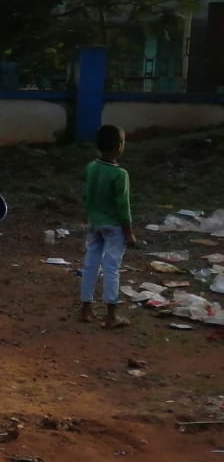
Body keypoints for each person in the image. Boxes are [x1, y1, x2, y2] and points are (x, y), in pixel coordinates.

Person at [79, 124, 137, 328]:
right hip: (114, 227)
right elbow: (123, 207)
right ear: (120, 146)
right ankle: (111, 315)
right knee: (111, 268)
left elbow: (86, 194)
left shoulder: (91, 167)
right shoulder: (120, 174)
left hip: (94, 223)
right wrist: (129, 233)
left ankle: (86, 308)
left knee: (90, 264)